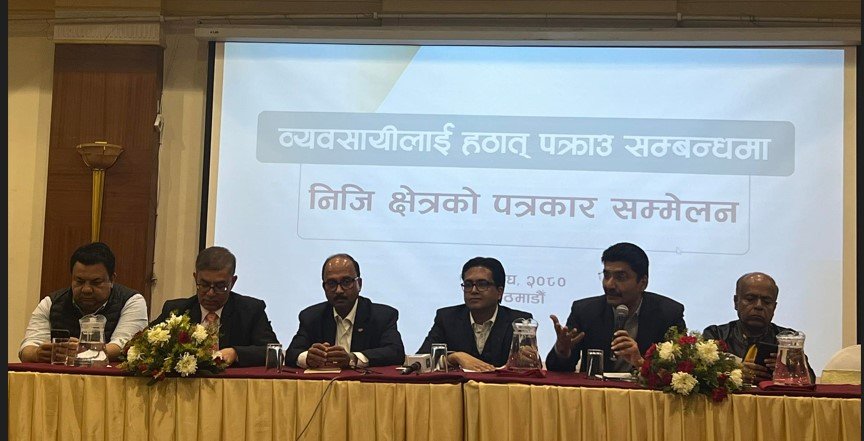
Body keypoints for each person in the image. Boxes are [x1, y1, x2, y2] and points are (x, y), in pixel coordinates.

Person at [545, 242, 686, 373]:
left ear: (643, 283)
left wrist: (641, 363)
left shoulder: (668, 314)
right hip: (596, 391)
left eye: (620, 277)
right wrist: (562, 351)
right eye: (606, 276)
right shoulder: (585, 311)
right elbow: (557, 370)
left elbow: (682, 373)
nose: (609, 285)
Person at [19, 242, 148, 363]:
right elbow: (26, 349)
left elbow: (124, 346)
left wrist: (84, 351)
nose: (86, 289)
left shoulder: (131, 301)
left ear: (112, 279)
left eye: (96, 282)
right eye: (79, 281)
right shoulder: (51, 302)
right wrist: (38, 353)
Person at [151, 246, 279, 367]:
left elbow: (272, 352)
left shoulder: (250, 310)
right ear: (195, 278)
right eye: (204, 285)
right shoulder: (176, 310)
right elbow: (145, 342)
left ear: (232, 282)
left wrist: (236, 353)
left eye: (220, 286)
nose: (210, 293)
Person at [286, 254, 405, 369]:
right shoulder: (311, 317)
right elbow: (291, 354)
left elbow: (395, 352)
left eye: (346, 282)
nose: (339, 290)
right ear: (324, 287)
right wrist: (307, 358)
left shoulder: (382, 316)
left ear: (359, 284)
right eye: (332, 283)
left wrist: (353, 359)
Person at [418, 257, 533, 372]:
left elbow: (531, 364)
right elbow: (420, 361)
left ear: (499, 292)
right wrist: (454, 357)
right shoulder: (447, 318)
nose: (473, 290)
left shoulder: (519, 321)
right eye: (468, 285)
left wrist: (527, 359)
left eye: (482, 284)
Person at [703, 272, 815, 384]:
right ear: (736, 302)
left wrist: (795, 369)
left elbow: (810, 382)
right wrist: (733, 371)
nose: (759, 306)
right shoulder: (716, 334)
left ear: (774, 307)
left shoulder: (787, 339)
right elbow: (703, 376)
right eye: (750, 299)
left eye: (767, 302)